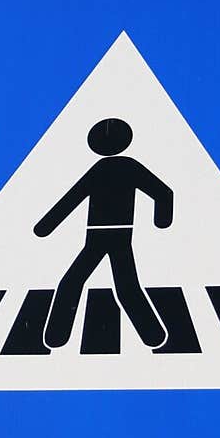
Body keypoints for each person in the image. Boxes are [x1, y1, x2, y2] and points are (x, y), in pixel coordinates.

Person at [34, 118, 173, 349]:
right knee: (125, 287)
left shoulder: (106, 168)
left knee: (72, 282)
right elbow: (164, 193)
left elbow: (71, 199)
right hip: (113, 236)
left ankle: (57, 335)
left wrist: (45, 227)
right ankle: (153, 335)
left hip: (101, 237)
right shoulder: (128, 166)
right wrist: (161, 221)